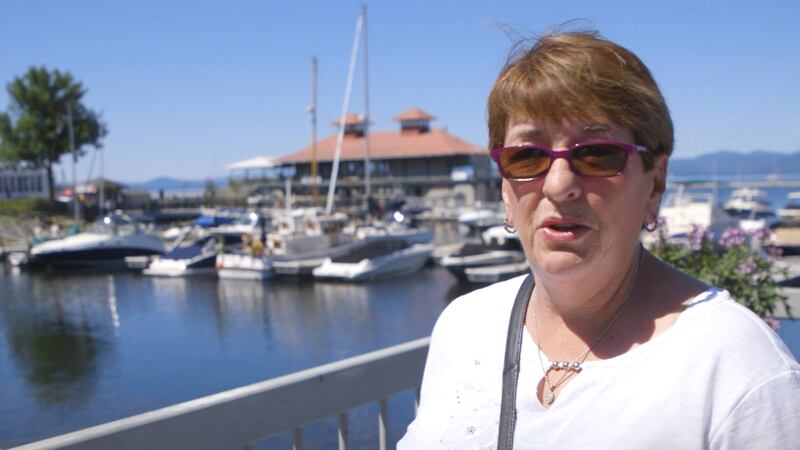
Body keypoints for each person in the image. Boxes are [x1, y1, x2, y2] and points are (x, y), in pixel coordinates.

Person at [399, 30, 800, 449]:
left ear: (655, 182)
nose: (559, 185)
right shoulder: (464, 327)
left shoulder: (741, 374)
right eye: (527, 156)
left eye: (596, 154)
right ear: (504, 186)